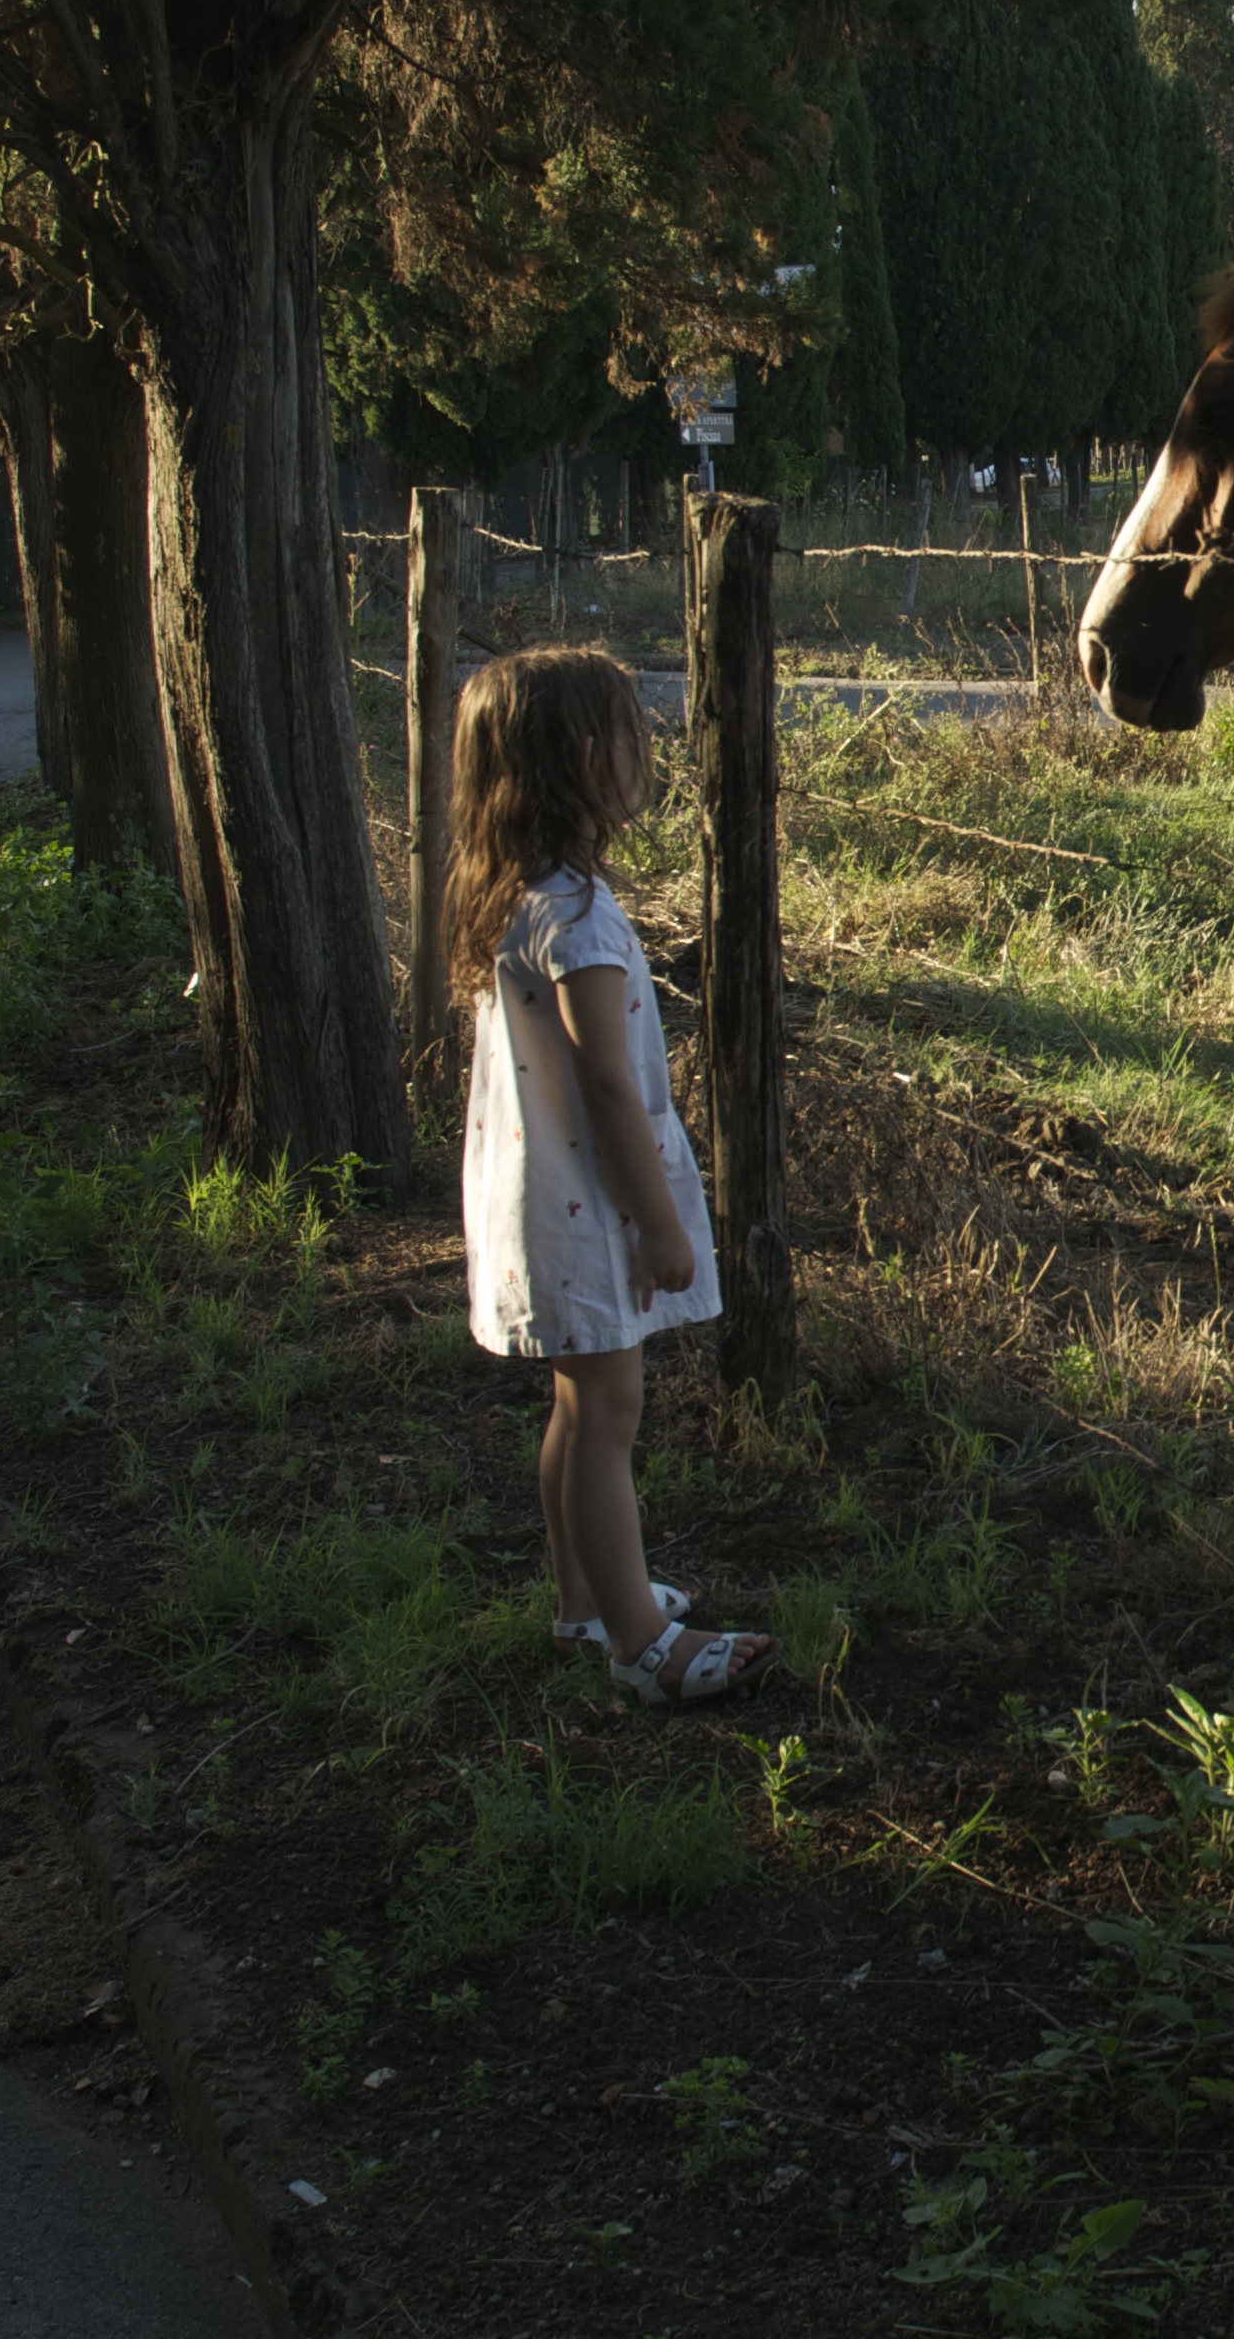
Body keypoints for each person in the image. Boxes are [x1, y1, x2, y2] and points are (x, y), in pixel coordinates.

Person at [447, 645, 772, 1705]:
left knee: (579, 1405)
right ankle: (640, 1642)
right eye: (633, 734)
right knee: (611, 1413)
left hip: (542, 1193)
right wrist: (660, 1222)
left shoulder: (522, 894)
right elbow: (605, 1084)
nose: (648, 752)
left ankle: (583, 1604)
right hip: (588, 1202)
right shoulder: (577, 918)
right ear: (587, 758)